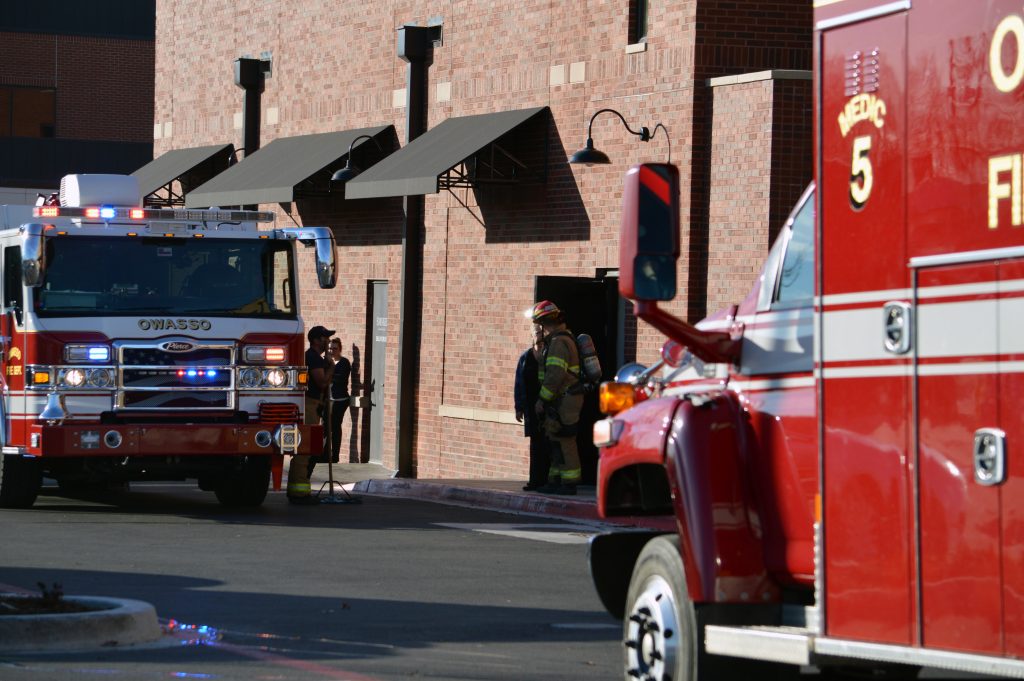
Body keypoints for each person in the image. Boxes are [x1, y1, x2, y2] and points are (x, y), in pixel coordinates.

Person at [531, 301, 584, 495]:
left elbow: (554, 376)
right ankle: (555, 480)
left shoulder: (559, 343)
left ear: (545, 322)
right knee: (554, 437)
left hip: (565, 399)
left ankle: (569, 483)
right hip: (562, 398)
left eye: (540, 324)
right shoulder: (556, 341)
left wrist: (542, 400)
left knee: (565, 439)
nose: (540, 328)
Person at [286, 324, 334, 505]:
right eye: (324, 337)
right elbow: (322, 382)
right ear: (315, 340)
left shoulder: (314, 357)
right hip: (309, 405)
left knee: (307, 448)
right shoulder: (312, 358)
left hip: (313, 405)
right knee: (305, 449)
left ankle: (298, 490)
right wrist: (331, 367)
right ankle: (299, 493)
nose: (328, 340)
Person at [515, 324, 548, 491]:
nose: (539, 335)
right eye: (536, 333)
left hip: (547, 407)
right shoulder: (525, 358)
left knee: (548, 443)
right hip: (531, 408)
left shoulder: (549, 355)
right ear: (531, 336)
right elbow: (519, 383)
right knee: (535, 444)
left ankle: (546, 481)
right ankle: (534, 481)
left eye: (541, 332)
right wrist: (519, 407)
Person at [322, 337, 352, 464]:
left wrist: (330, 371)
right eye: (330, 348)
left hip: (340, 400)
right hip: (327, 399)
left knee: (335, 426)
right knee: (325, 427)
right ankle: (324, 455)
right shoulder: (326, 361)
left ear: (340, 349)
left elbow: (338, 379)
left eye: (335, 348)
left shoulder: (344, 362)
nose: (332, 351)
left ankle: (335, 456)